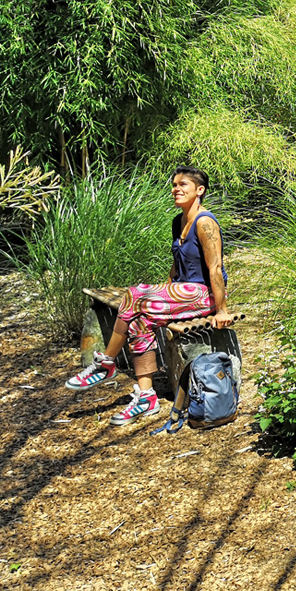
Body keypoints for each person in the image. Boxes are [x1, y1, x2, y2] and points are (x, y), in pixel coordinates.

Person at [64, 165, 232, 425]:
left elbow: (216, 267)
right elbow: (176, 265)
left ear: (200, 190)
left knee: (134, 294)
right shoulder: (179, 221)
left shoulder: (205, 222)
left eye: (182, 185)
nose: (175, 189)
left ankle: (106, 363)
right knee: (140, 320)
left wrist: (221, 309)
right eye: (174, 185)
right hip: (182, 293)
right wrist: (165, 290)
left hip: (203, 295)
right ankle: (146, 396)